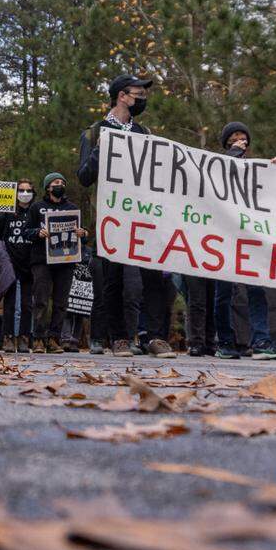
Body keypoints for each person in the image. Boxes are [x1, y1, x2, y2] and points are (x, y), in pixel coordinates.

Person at [77, 74, 173, 358]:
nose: (142, 98)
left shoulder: (145, 133)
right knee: (113, 280)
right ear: (122, 95)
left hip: (144, 218)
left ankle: (156, 337)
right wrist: (101, 149)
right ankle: (118, 338)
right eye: (138, 93)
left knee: (154, 278)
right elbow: (83, 177)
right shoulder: (94, 132)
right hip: (113, 220)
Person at [213, 123, 276, 360]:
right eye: (234, 137)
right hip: (222, 236)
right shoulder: (217, 163)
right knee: (223, 294)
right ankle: (225, 343)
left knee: (257, 291)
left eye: (243, 136)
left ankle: (261, 342)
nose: (240, 139)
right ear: (227, 142)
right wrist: (234, 154)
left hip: (249, 238)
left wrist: (274, 168)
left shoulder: (255, 168)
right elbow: (221, 174)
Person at [23, 173, 89, 355]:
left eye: (62, 182)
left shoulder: (72, 208)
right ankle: (38, 339)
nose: (60, 185)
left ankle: (54, 339)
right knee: (41, 301)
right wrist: (38, 232)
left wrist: (83, 233)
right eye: (55, 183)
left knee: (61, 303)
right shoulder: (37, 207)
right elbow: (26, 232)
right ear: (48, 187)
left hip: (66, 261)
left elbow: (81, 237)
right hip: (41, 260)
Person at [0, 179, 35, 353]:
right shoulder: (7, 212)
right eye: (21, 190)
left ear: (33, 192)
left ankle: (24, 338)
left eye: (28, 190)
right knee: (9, 304)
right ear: (15, 194)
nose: (24, 193)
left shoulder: (35, 211)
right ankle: (7, 337)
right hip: (9, 263)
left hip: (29, 263)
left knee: (27, 304)